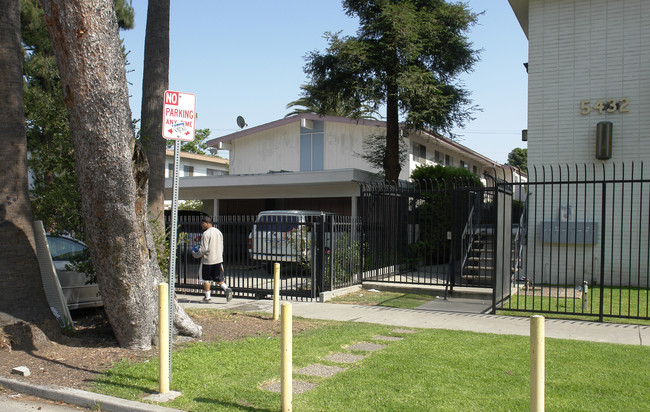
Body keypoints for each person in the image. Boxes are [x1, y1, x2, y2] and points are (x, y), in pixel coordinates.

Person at [192, 216, 233, 302]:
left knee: (205, 279)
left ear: (206, 223)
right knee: (218, 278)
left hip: (207, 260)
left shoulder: (206, 234)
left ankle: (207, 298)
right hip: (218, 259)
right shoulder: (218, 232)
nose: (201, 226)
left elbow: (203, 249)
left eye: (202, 224)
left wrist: (195, 254)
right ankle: (226, 289)